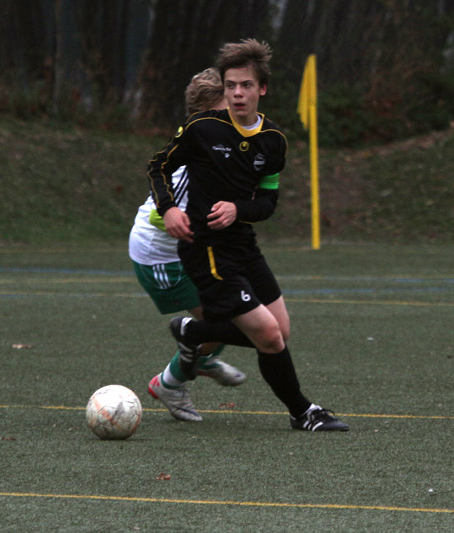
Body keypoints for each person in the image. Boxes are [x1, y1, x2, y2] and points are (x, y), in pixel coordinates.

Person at [146, 39, 348, 432]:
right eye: (231, 86)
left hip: (243, 246)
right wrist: (168, 208)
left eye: (246, 85)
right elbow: (158, 166)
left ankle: (192, 332)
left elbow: (268, 202)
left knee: (280, 332)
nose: (237, 93)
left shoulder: (273, 140)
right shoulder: (202, 128)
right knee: (269, 336)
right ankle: (303, 412)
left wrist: (239, 209)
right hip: (205, 250)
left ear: (262, 88)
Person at [130, 68, 247, 423]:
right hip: (160, 258)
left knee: (233, 313)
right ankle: (172, 381)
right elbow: (159, 216)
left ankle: (200, 357)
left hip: (186, 252)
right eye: (225, 110)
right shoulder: (192, 160)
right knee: (223, 318)